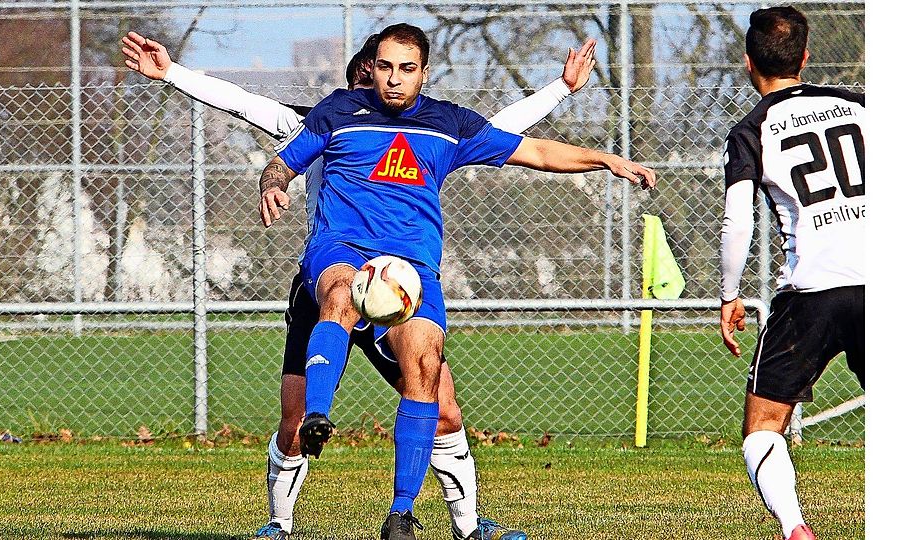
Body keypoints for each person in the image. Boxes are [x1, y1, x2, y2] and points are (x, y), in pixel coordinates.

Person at [122, 29, 598, 540]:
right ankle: (279, 523)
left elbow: (499, 133)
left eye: (396, 72)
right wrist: (171, 73)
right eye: (371, 75)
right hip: (332, 275)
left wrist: (560, 90)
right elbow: (240, 101)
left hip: (395, 284)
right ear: (359, 79)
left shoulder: (427, 127)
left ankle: (468, 526)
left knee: (443, 408)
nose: (381, 85)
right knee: (294, 417)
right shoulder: (320, 119)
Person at [259, 22, 655, 539]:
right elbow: (281, 162)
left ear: (424, 73)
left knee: (428, 372)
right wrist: (274, 183)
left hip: (410, 274)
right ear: (370, 69)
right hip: (342, 251)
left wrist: (605, 160)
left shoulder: (449, 124)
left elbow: (534, 150)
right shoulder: (337, 112)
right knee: (339, 295)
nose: (394, 80)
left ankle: (404, 514)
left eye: (406, 69)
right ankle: (316, 421)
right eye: (385, 67)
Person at [718, 7, 864, 540]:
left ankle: (795, 528)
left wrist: (729, 294)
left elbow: (738, 222)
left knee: (761, 428)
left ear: (748, 62)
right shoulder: (861, 105)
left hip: (811, 295)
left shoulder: (752, 128)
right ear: (805, 56)